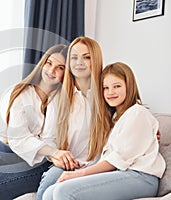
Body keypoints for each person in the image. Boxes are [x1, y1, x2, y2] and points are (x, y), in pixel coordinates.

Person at [0, 44, 78, 200]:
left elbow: (54, 140)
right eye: (49, 63)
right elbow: (19, 138)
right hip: (23, 154)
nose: (52, 70)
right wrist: (51, 150)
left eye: (60, 68)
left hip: (45, 163)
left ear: (66, 73)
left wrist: (52, 152)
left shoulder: (64, 99)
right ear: (42, 63)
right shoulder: (23, 93)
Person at [42, 62, 166, 200]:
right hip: (120, 174)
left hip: (141, 177)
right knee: (49, 193)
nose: (110, 92)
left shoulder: (137, 113)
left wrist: (79, 174)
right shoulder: (114, 118)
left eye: (117, 86)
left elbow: (117, 160)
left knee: (63, 191)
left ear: (129, 86)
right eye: (105, 88)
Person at [36, 36, 103, 200]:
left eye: (86, 57)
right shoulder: (58, 97)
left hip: (97, 166)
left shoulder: (107, 94)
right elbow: (49, 138)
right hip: (67, 165)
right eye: (74, 57)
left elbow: (129, 114)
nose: (79, 62)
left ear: (96, 59)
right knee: (52, 179)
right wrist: (56, 155)